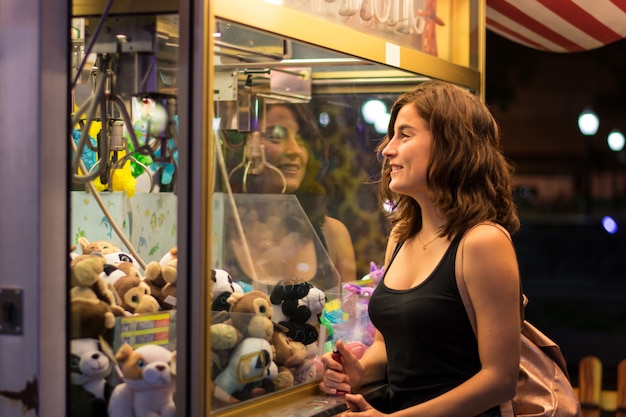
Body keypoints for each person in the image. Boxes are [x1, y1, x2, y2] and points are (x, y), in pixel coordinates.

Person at [319, 80, 522, 416]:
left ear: (451, 146)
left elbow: (500, 380)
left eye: (405, 134)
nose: (387, 149)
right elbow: (389, 346)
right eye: (391, 135)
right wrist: (359, 370)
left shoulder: (482, 241)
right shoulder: (401, 235)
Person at [224, 102, 357, 289]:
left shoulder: (333, 235)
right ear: (244, 147)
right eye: (276, 136)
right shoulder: (214, 233)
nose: (294, 150)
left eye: (301, 139)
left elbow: (350, 314)